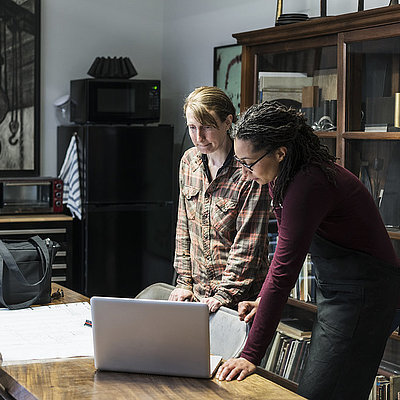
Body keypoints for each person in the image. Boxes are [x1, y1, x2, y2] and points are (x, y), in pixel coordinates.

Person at [217, 101, 400, 400]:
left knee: (323, 393)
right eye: (240, 162)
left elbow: (284, 271)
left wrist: (251, 355)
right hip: (341, 291)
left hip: (366, 296)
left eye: (249, 163)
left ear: (280, 152)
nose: (245, 172)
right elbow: (283, 257)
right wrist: (262, 300)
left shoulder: (308, 184)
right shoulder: (285, 176)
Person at [137, 87, 270, 312]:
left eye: (207, 127)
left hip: (240, 299)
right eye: (192, 127)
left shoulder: (248, 170)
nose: (199, 137)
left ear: (228, 122)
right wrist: (183, 282)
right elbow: (183, 228)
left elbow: (248, 243)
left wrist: (223, 294)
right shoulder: (189, 162)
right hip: (196, 295)